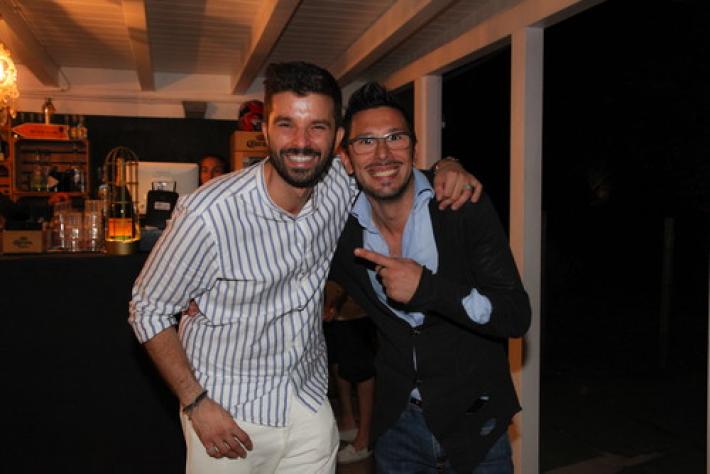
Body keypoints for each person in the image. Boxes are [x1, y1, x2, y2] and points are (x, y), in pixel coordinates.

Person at [129, 62, 482, 474]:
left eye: (317, 127)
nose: (301, 142)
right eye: (286, 125)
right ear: (265, 131)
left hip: (309, 404)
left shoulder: (338, 185)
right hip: (227, 413)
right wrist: (196, 402)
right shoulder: (209, 213)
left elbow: (392, 169)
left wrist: (446, 166)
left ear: (337, 138)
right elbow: (147, 309)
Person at [329, 82, 532, 473]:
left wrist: (429, 289)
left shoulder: (460, 205)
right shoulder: (342, 234)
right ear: (347, 159)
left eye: (395, 137)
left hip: (475, 424)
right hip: (397, 429)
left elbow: (514, 315)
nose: (383, 154)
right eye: (366, 142)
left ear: (414, 148)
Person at [323, 280, 376, 464]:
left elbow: (348, 272)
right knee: (338, 362)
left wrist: (334, 302)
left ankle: (364, 440)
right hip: (332, 308)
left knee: (363, 370)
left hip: (355, 309)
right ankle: (348, 423)